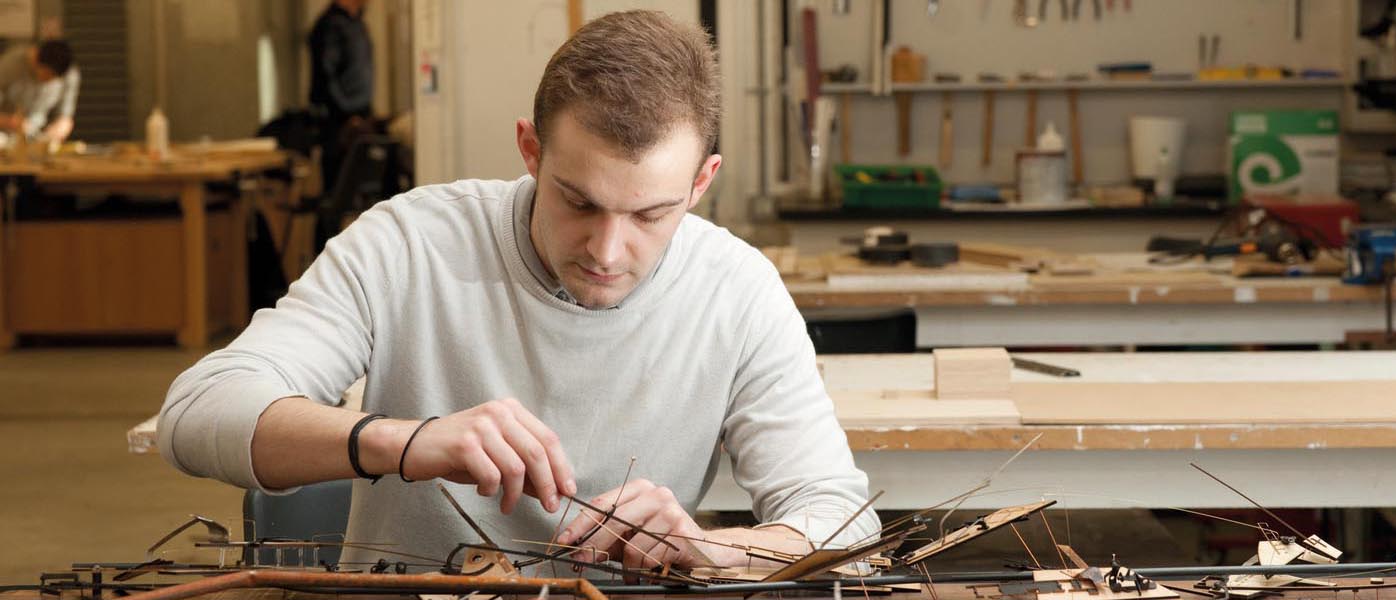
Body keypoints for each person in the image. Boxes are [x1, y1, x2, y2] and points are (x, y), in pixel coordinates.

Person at [160, 10, 876, 572]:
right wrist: (405, 442)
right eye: (579, 201)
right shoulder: (410, 243)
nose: (607, 250)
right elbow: (195, 414)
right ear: (530, 151)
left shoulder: (738, 290)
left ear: (701, 183)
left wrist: (716, 551)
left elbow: (839, 516)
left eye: (651, 215)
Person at [308, 0, 375, 187]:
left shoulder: (357, 23)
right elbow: (326, 76)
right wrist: (346, 112)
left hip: (360, 114)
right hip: (340, 122)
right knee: (339, 187)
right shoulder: (331, 25)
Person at [0, 39, 79, 145]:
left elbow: (65, 118)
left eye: (54, 78)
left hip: (37, 136)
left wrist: (58, 130)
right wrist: (8, 121)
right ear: (35, 57)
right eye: (47, 74)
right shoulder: (10, 65)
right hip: (5, 136)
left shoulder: (69, 75)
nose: (49, 81)